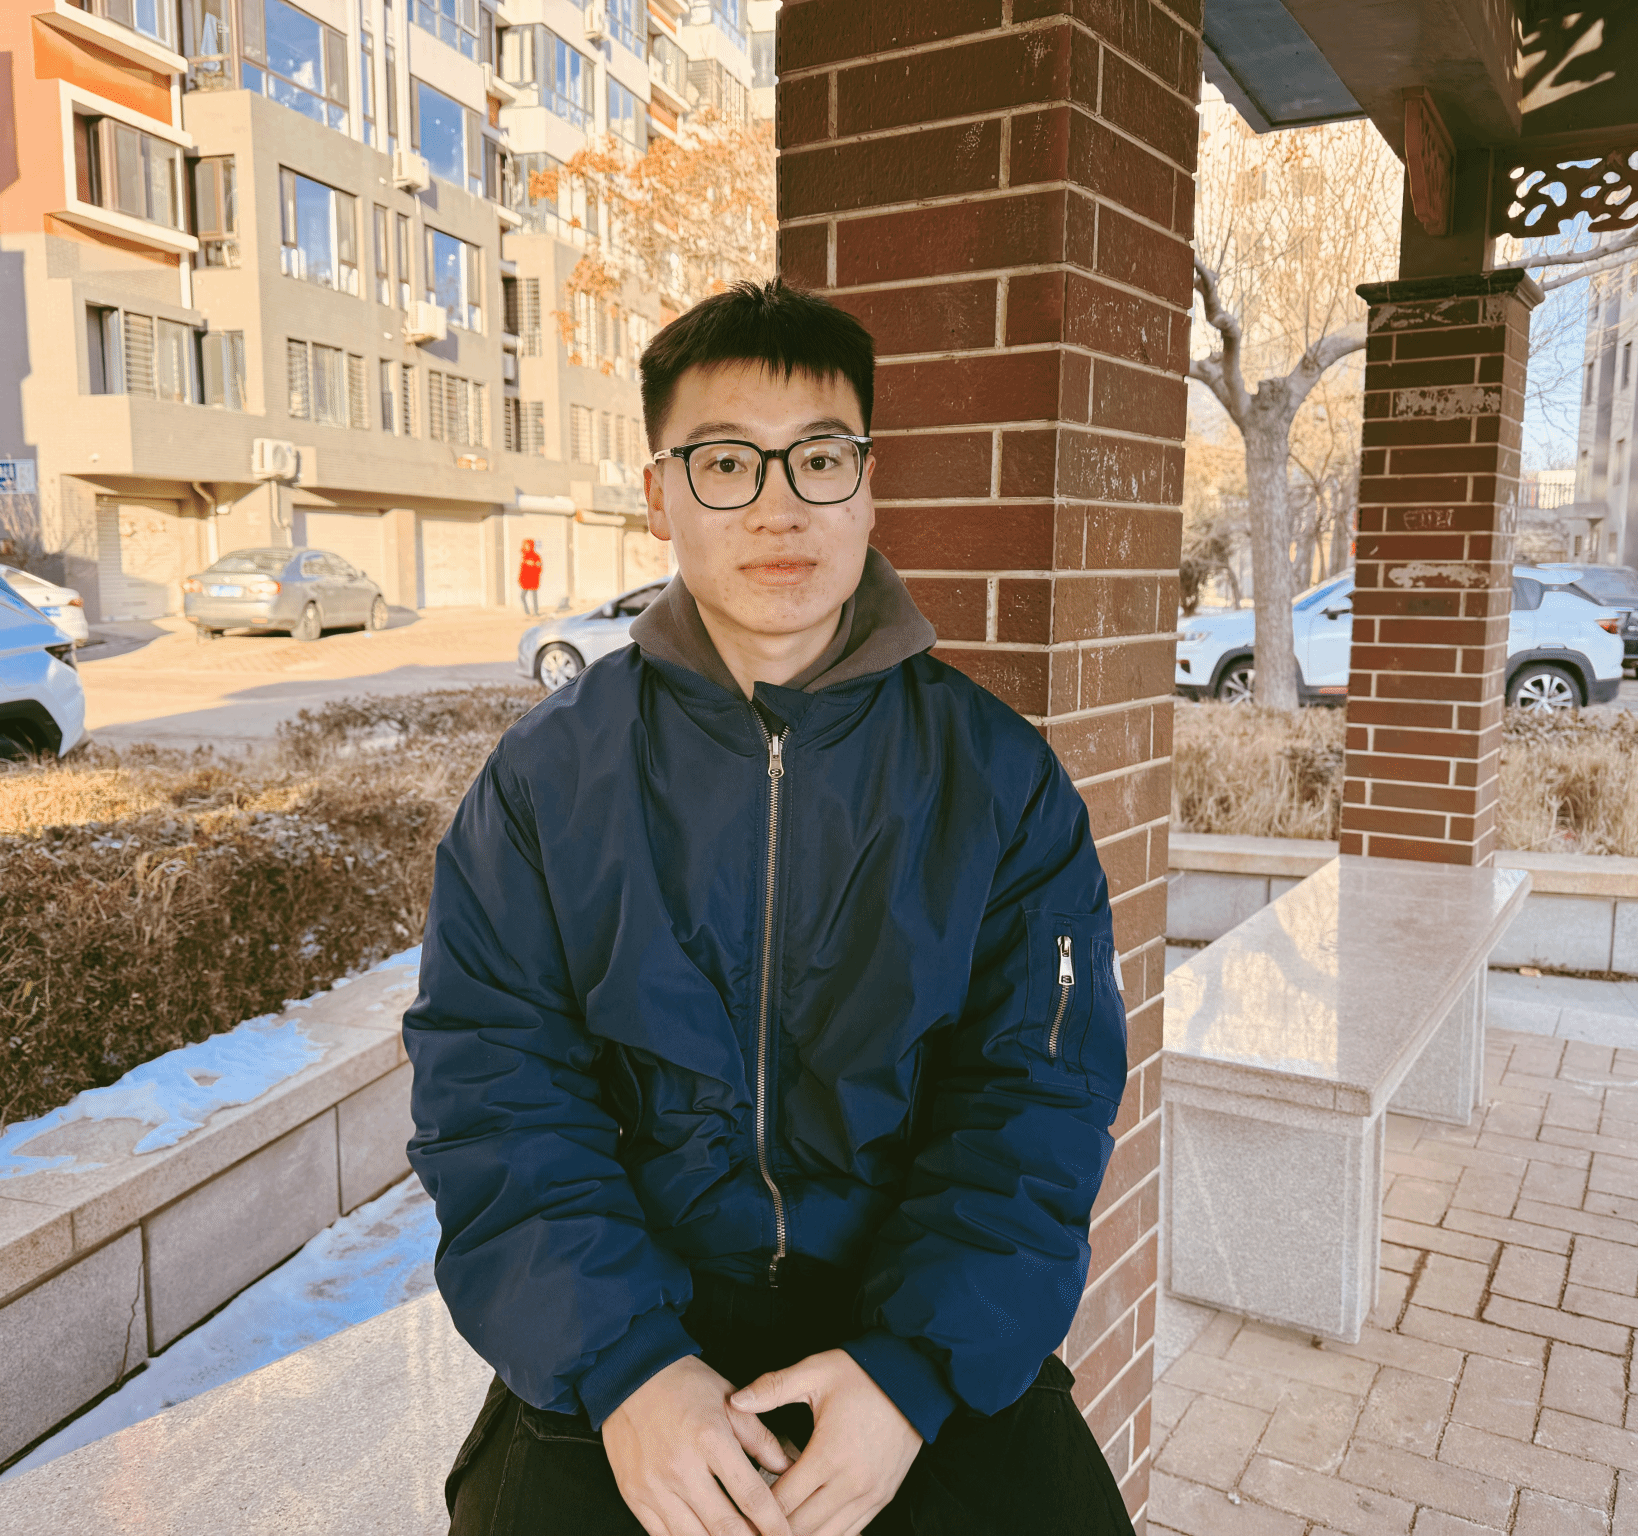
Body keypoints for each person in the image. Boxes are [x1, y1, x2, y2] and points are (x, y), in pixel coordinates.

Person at [406, 279, 1132, 1536]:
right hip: (628, 1317)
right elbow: (493, 1090)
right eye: (727, 462)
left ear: (868, 486)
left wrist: (911, 1371)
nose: (779, 506)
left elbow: (1037, 1096)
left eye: (819, 459)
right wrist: (628, 1367)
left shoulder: (998, 779)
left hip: (915, 1316)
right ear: (660, 494)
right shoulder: (544, 782)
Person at [518, 537, 543, 615]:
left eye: (528, 546)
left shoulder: (536, 556)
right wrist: (520, 579)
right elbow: (522, 570)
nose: (527, 547)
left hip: (533, 579)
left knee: (534, 596)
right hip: (526, 580)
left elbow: (539, 567)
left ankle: (535, 612)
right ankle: (527, 612)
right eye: (526, 546)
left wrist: (533, 565)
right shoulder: (524, 557)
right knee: (522, 596)